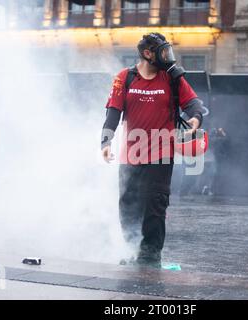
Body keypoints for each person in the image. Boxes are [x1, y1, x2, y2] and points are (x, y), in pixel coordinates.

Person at [100, 33, 204, 268]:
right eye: (163, 51)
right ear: (148, 54)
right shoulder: (124, 78)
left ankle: (150, 255)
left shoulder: (172, 77)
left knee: (155, 203)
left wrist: (196, 119)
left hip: (161, 152)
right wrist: (105, 143)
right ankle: (131, 247)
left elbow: (193, 104)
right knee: (128, 203)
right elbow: (113, 113)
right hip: (131, 153)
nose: (167, 56)